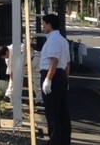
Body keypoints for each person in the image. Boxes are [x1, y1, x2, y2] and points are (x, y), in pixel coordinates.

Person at [40, 13, 71, 145]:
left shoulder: (53, 40)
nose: (42, 26)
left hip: (52, 75)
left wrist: (48, 80)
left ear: (49, 25)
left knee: (52, 110)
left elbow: (54, 61)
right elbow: (67, 64)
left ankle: (55, 140)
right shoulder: (63, 40)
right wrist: (66, 79)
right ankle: (64, 139)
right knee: (62, 109)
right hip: (61, 76)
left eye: (44, 24)